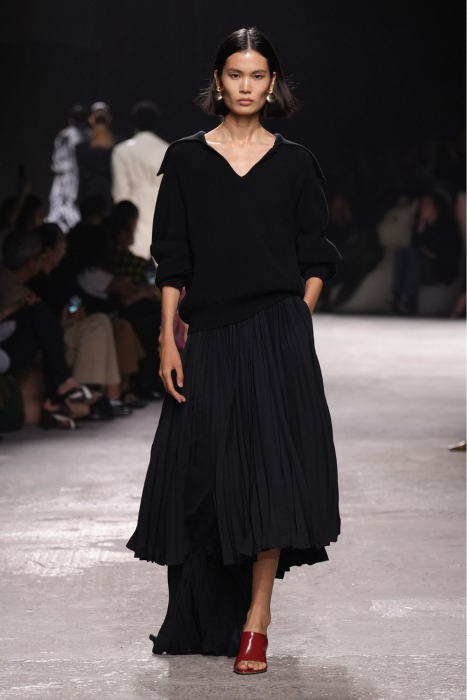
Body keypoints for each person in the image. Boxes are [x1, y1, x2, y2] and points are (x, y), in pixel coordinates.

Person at [126, 27, 342, 675]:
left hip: (277, 334)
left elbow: (316, 256)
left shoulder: (296, 162)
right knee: (208, 479)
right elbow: (172, 260)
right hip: (209, 336)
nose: (245, 86)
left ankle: (257, 619)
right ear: (217, 82)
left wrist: (295, 318)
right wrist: (168, 337)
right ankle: (212, 610)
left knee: (271, 475)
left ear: (272, 84)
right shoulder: (187, 159)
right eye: (234, 75)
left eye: (257, 75)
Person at [0, 229, 97, 429]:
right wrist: (15, 308)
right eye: (41, 257)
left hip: (10, 344)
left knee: (38, 316)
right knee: (38, 314)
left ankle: (58, 394)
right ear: (31, 262)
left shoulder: (11, 283)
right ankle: (60, 391)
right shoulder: (12, 288)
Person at [111, 102, 169, 259]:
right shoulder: (167, 149)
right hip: (161, 211)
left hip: (133, 213)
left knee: (136, 260)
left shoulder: (122, 151)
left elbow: (120, 193)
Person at [390, 191, 461, 315]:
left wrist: (425, 252)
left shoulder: (446, 227)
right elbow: (415, 247)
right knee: (401, 253)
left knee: (416, 257)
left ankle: (410, 300)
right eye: (422, 204)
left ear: (436, 208)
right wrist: (420, 227)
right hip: (422, 267)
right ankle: (396, 297)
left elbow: (443, 255)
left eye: (427, 204)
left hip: (441, 270)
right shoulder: (422, 226)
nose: (422, 207)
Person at [46, 104, 90, 232]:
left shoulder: (87, 135)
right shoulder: (65, 136)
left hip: (80, 180)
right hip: (67, 180)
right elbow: (58, 162)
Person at [76, 102, 115, 207]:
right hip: (111, 196)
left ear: (91, 120)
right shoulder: (118, 146)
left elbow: (81, 178)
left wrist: (80, 201)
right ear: (109, 119)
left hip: (90, 198)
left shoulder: (81, 148)